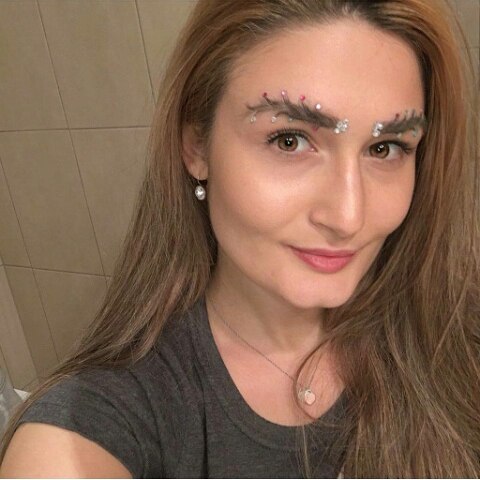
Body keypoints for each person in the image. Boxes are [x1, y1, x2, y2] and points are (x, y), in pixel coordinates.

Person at [1, 0, 479, 477]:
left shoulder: (453, 334)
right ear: (196, 145)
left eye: (385, 147)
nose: (348, 217)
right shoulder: (101, 419)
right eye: (290, 140)